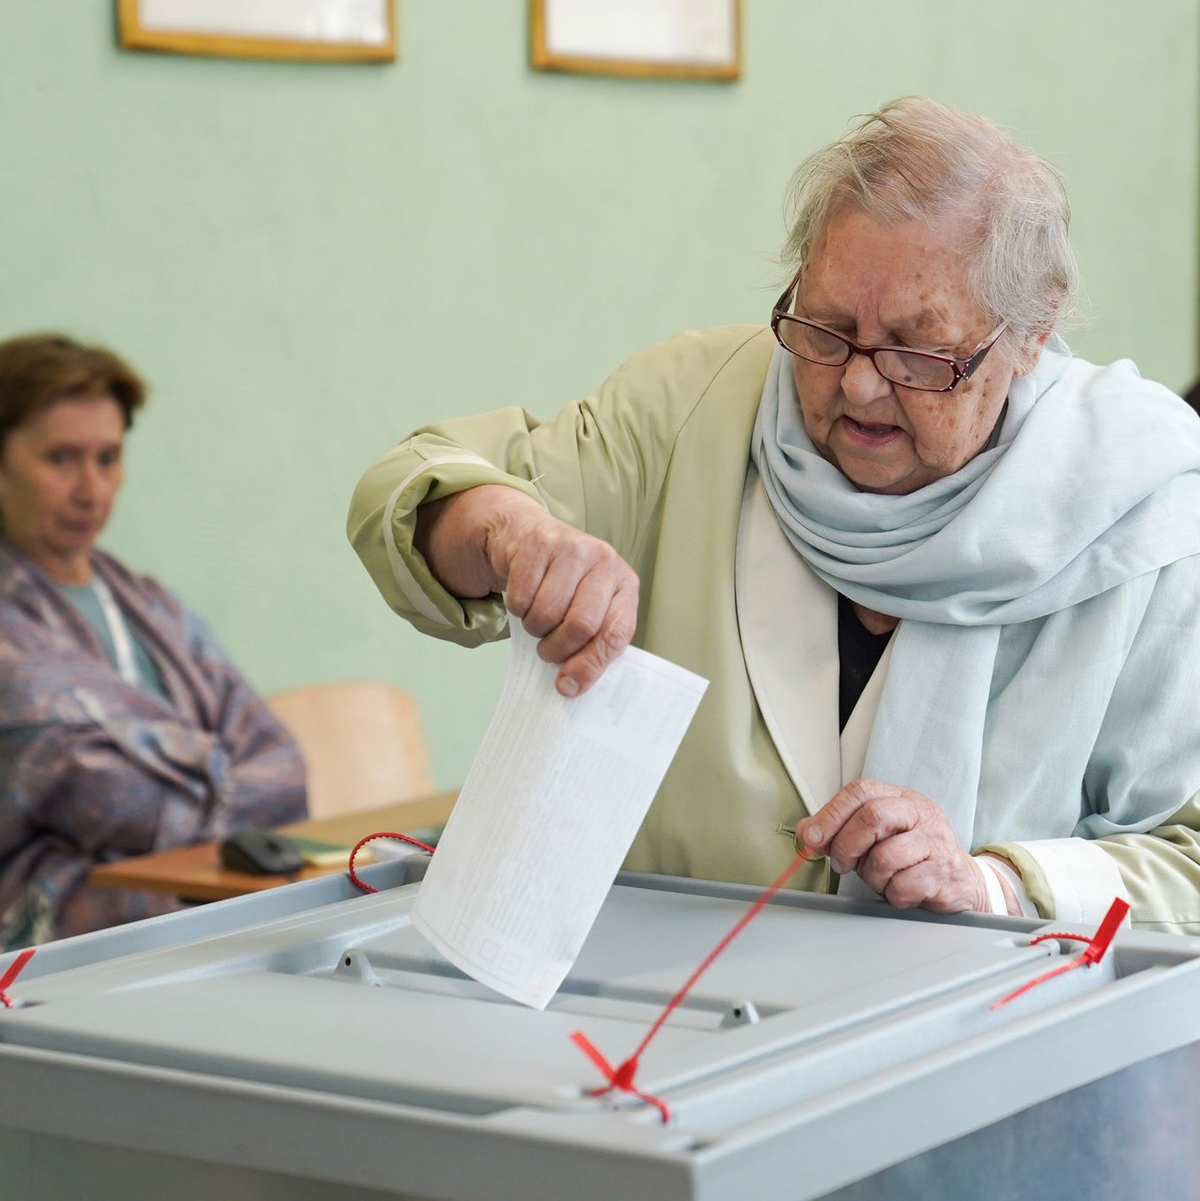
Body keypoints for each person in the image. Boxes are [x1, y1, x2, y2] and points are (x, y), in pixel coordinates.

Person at [348, 97, 1200, 931]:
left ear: (1029, 331)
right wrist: (510, 532)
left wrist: (997, 885)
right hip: (668, 1027)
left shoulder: (1145, 507)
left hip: (1011, 1053)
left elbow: (1186, 861)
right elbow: (412, 490)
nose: (860, 383)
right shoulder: (696, 405)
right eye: (826, 327)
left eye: (914, 349)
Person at [0, 335, 307, 948]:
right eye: (61, 459)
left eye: (108, 458)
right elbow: (113, 795)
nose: (91, 490)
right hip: (50, 953)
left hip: (184, 915)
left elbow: (284, 768)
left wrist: (181, 789)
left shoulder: (151, 606)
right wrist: (224, 786)